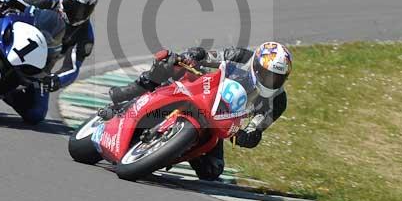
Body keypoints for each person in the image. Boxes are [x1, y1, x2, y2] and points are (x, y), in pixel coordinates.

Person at [101, 42, 291, 181]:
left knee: (212, 171)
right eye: (268, 75)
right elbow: (210, 57)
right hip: (201, 89)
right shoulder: (242, 57)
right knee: (170, 64)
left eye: (277, 78)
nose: (271, 81)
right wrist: (195, 55)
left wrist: (248, 137)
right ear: (256, 66)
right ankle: (132, 93)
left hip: (218, 121)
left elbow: (257, 128)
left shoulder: (278, 102)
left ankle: (168, 151)